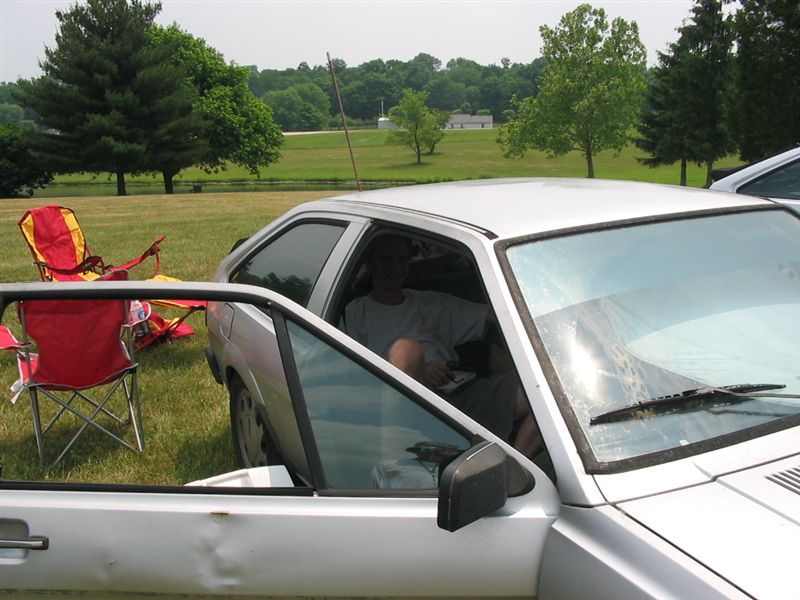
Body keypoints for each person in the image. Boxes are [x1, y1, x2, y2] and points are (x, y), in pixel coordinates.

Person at [344, 234, 543, 459]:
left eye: (401, 259)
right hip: (411, 408)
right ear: (370, 263)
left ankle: (516, 467)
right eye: (386, 260)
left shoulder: (429, 302)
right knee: (406, 349)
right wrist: (420, 370)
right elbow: (355, 375)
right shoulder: (355, 313)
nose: (395, 267)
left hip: (461, 389)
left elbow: (495, 317)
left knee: (547, 386)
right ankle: (394, 457)